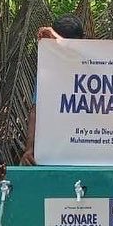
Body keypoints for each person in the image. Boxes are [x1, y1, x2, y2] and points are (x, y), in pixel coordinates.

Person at [20, 14, 85, 165]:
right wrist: (30, 149)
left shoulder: (96, 62)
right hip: (56, 150)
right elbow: (36, 111)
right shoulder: (48, 72)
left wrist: (56, 38)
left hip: (89, 146)